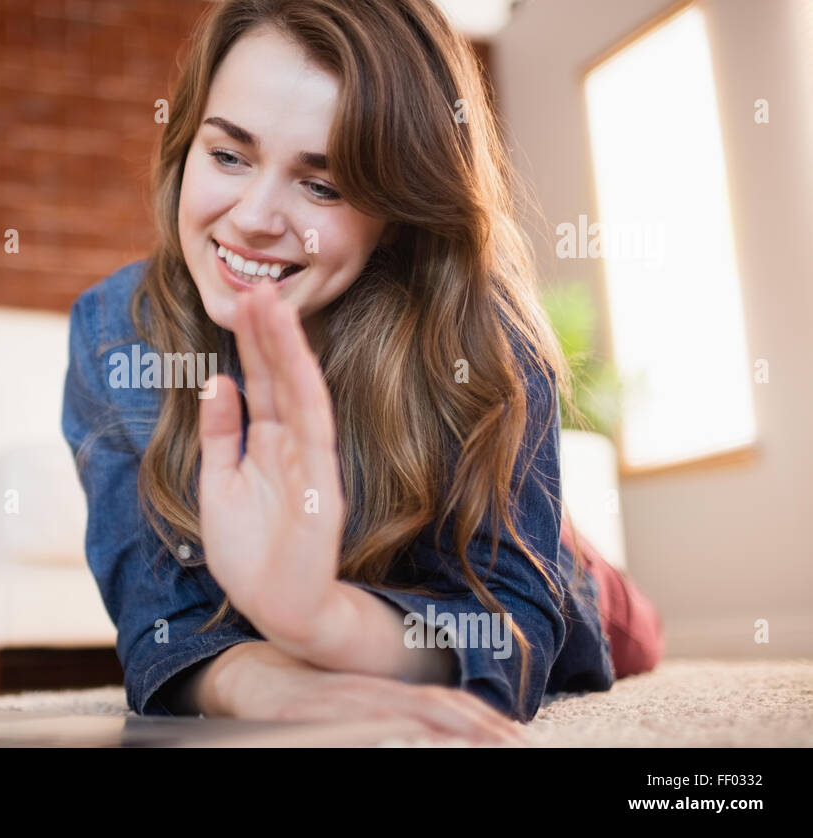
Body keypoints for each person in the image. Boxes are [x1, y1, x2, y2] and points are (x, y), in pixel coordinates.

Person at [61, 0, 661, 743]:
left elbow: (510, 628)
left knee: (631, 632)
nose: (252, 217)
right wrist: (256, 679)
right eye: (228, 155)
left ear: (397, 214)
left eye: (322, 185)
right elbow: (161, 626)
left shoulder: (486, 334)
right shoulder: (115, 332)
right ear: (187, 144)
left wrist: (323, 619)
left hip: (555, 568)